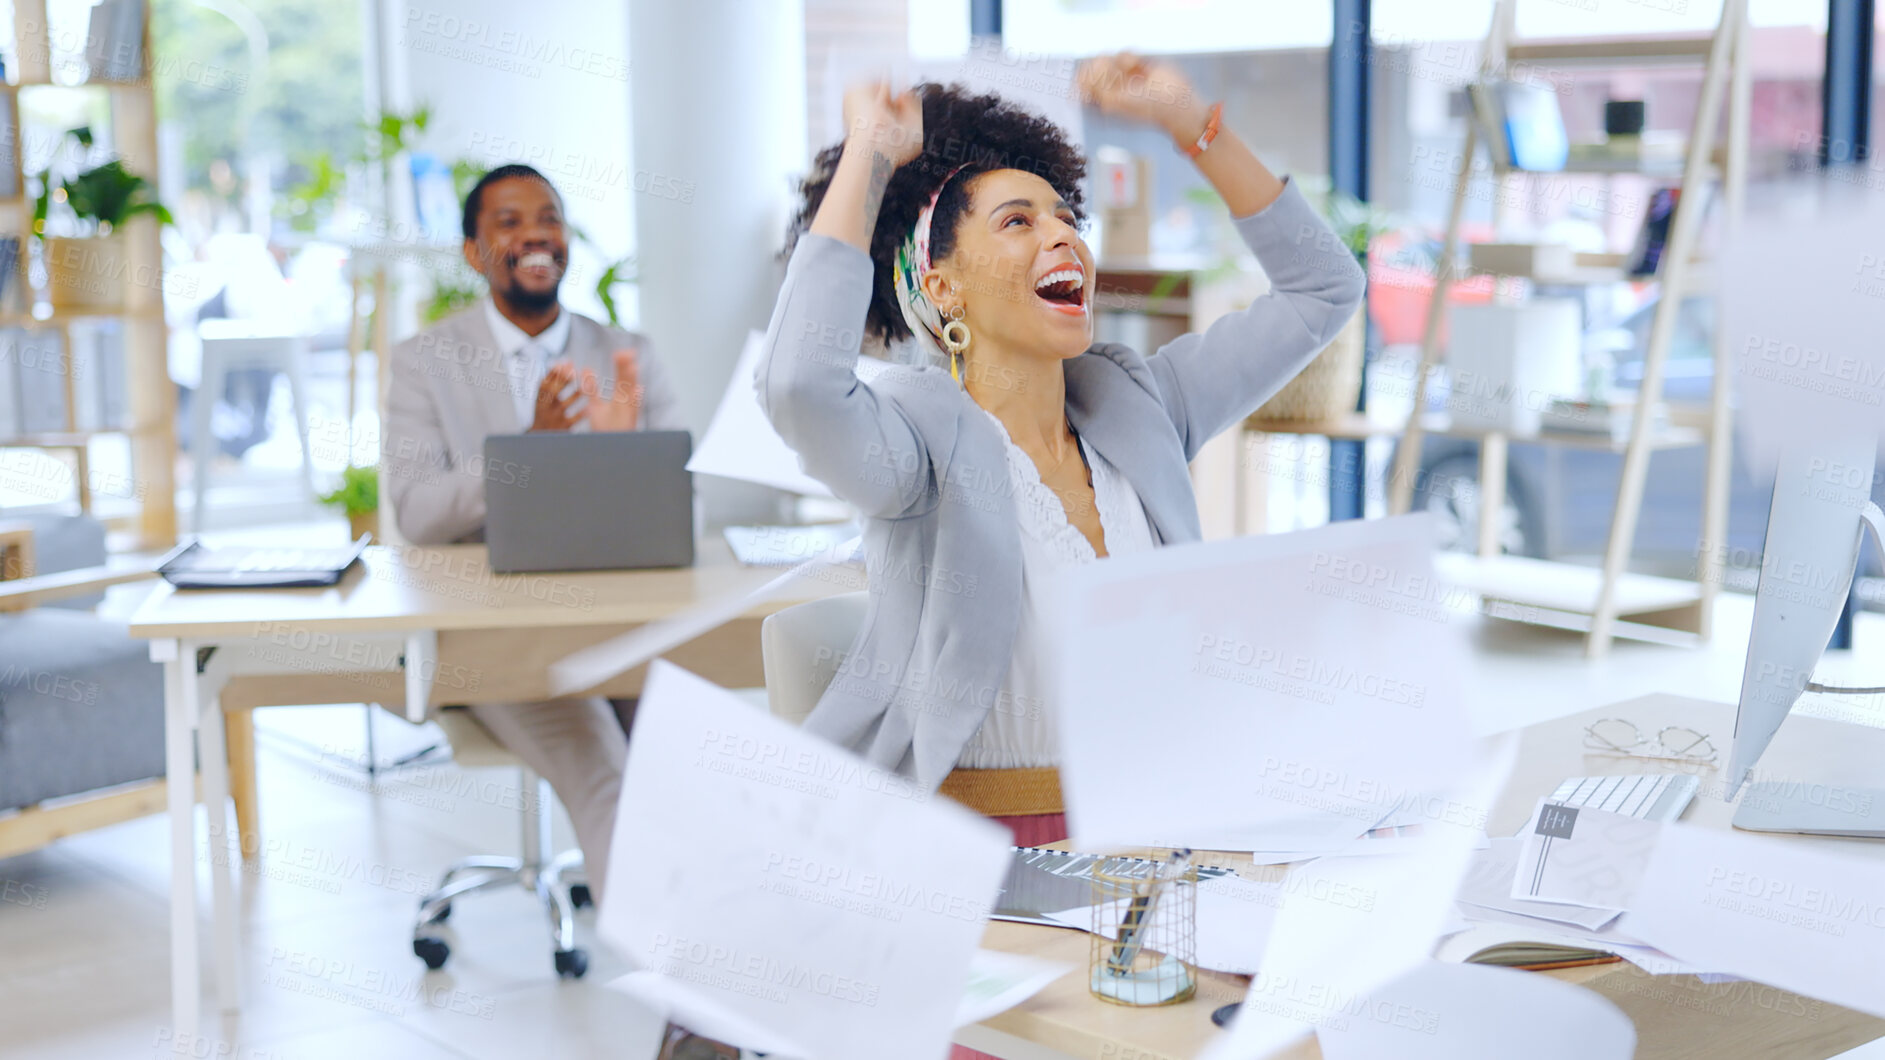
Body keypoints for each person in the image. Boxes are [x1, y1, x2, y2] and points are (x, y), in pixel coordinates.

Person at [758, 56, 1367, 850]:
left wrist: (1189, 121)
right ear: (941, 286)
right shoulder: (913, 451)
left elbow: (1325, 290)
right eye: (1018, 221)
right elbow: (799, 383)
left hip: (1164, 826)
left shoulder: (1140, 406)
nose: (1062, 237)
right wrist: (871, 152)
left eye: (1065, 219)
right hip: (979, 856)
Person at [381, 163, 684, 901]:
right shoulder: (423, 362)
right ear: (474, 252)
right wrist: (532, 450)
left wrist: (617, 451)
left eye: (547, 217)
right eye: (509, 223)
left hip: (616, 622)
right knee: (604, 773)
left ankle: (724, 962)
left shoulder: (624, 354)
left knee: (680, 765)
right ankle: (677, 1000)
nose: (534, 235)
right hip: (494, 637)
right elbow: (417, 511)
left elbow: (678, 495)